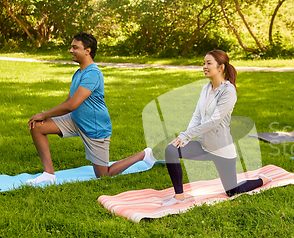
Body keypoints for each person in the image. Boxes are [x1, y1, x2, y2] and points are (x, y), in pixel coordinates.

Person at [27, 33, 155, 184]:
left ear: (87, 51)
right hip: (75, 119)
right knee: (37, 126)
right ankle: (49, 174)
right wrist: (44, 117)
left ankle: (144, 155)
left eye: (75, 47)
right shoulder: (79, 73)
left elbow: (71, 105)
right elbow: (68, 102)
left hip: (95, 127)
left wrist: (44, 114)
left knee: (103, 175)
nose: (70, 50)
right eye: (71, 47)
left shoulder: (93, 74)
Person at [162, 50, 272, 206]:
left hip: (222, 150)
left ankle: (262, 179)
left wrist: (186, 136)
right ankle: (179, 196)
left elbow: (214, 121)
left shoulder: (229, 91)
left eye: (209, 63)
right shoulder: (205, 88)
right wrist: (184, 136)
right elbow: (197, 116)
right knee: (171, 149)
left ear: (220, 67)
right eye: (203, 63)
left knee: (232, 191)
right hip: (203, 146)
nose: (204, 67)